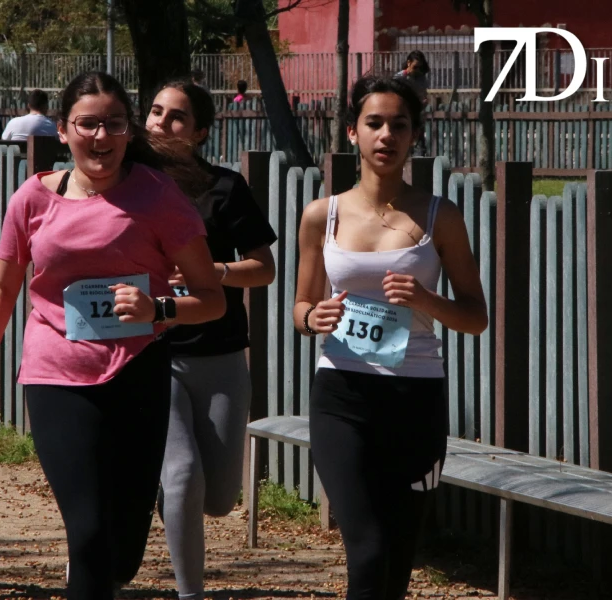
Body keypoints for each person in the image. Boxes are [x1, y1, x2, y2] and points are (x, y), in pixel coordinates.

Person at [0, 71, 227, 600]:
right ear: (63, 130)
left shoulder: (159, 197)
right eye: (87, 125)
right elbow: (3, 285)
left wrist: (160, 309)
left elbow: (212, 298)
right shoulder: (33, 198)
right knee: (86, 534)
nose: (100, 137)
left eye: (113, 124)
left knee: (122, 550)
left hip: (138, 375)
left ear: (129, 132)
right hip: (55, 373)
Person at [292, 74, 487, 599]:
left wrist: (427, 300)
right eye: (373, 123)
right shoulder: (321, 215)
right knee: (368, 545)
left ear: (414, 136)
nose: (386, 135)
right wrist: (314, 319)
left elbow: (476, 315)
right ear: (351, 132)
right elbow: (300, 307)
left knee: (398, 557)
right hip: (342, 396)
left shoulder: (438, 216)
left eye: (399, 125)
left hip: (415, 399)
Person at [145, 78, 277, 600]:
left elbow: (263, 269)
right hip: (154, 354)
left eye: (176, 116)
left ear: (199, 131)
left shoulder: (224, 188)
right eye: (155, 111)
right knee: (181, 472)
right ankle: (190, 593)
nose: (160, 123)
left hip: (220, 355)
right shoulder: (127, 185)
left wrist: (213, 273)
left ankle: (158, 491)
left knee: (218, 497)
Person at [395, 50, 430, 156]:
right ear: (408, 63)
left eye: (420, 67)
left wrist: (423, 102)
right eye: (415, 67)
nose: (417, 70)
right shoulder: (399, 78)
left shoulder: (421, 78)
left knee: (419, 143)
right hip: (403, 114)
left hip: (417, 114)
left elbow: (423, 94)